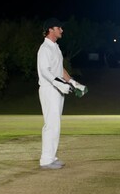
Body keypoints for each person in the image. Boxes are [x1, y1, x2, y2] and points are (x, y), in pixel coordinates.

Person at [37, 17, 86, 169]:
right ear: (51, 29)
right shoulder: (44, 49)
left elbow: (60, 69)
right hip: (49, 89)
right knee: (51, 125)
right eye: (59, 28)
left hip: (58, 89)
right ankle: (45, 160)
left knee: (56, 124)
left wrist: (72, 82)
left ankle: (51, 156)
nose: (62, 30)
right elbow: (45, 71)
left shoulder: (55, 47)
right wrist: (58, 83)